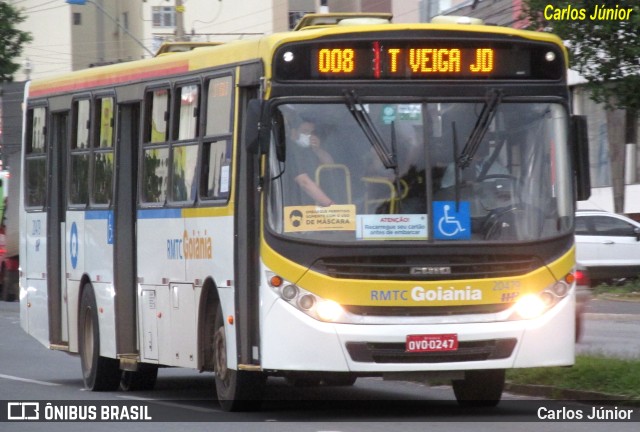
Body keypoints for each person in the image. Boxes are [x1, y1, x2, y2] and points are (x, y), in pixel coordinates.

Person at [287, 115, 336, 207]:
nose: (309, 136)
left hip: (315, 203)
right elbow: (304, 182)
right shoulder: (289, 150)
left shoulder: (310, 150)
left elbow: (330, 166)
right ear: (294, 132)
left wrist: (317, 150)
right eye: (305, 132)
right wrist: (331, 206)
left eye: (311, 133)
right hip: (297, 203)